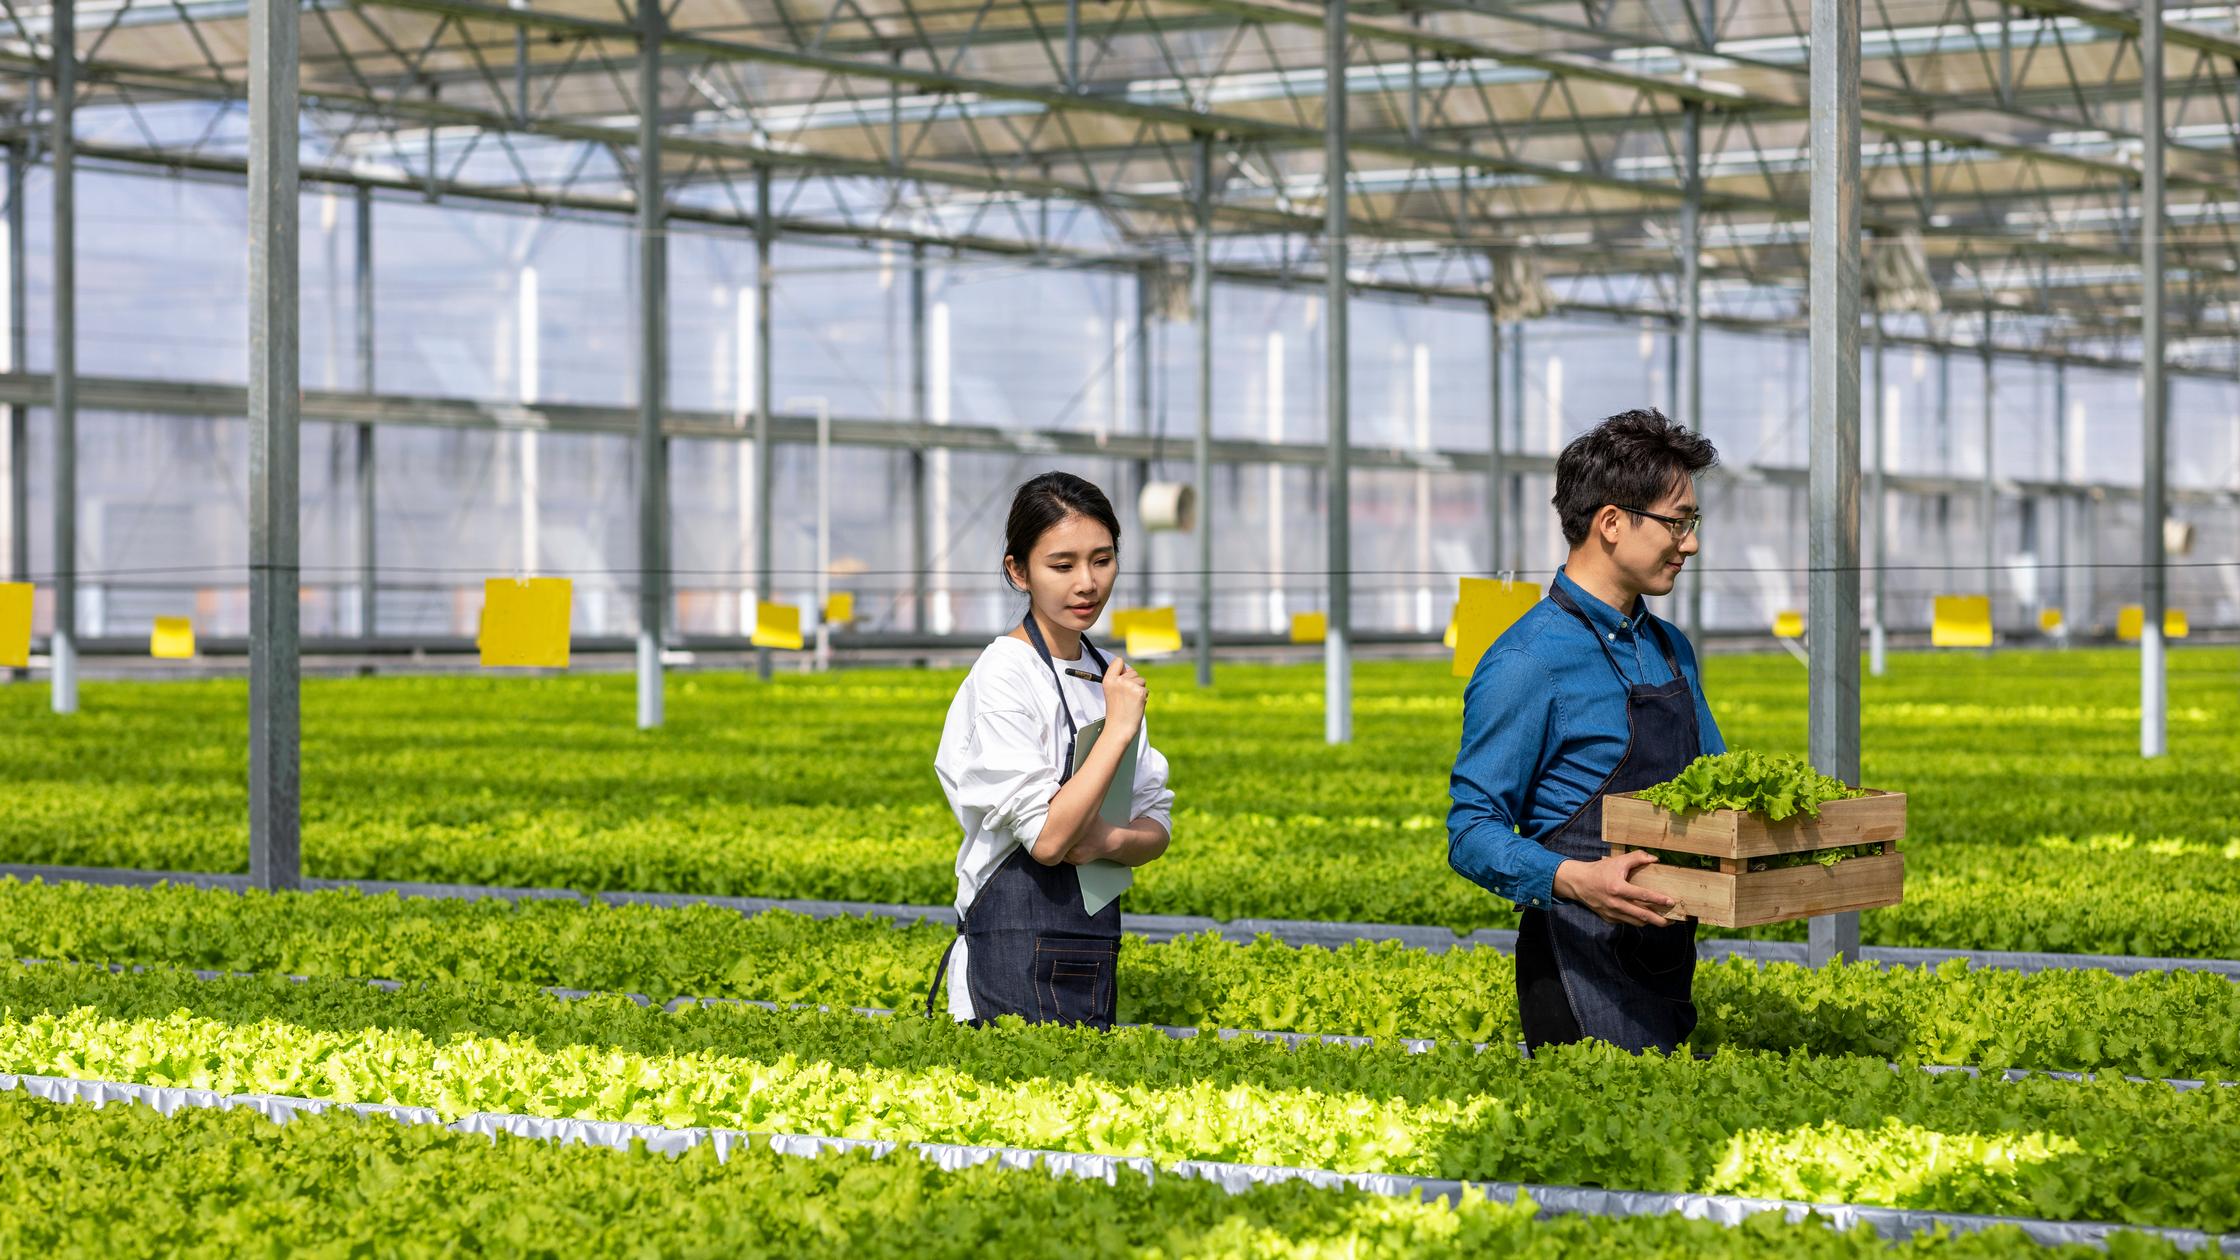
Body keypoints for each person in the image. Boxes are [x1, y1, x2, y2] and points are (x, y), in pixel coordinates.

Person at [1447, 408, 1725, 1054]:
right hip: (1574, 974)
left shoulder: (1671, 649)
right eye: (1677, 522)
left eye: (1693, 523)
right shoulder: (1528, 662)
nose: (1690, 544)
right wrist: (1574, 879)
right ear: (1610, 523)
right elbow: (1470, 830)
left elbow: (1719, 786)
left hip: (1669, 963)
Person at [925, 472, 1174, 1027]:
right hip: (1009, 943)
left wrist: (1106, 840)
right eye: (1062, 566)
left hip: (1092, 941)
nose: (1086, 582)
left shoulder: (1108, 675)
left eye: (1102, 560)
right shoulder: (1005, 674)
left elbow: (1156, 823)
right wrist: (1117, 729)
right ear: (1019, 571)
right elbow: (1048, 839)